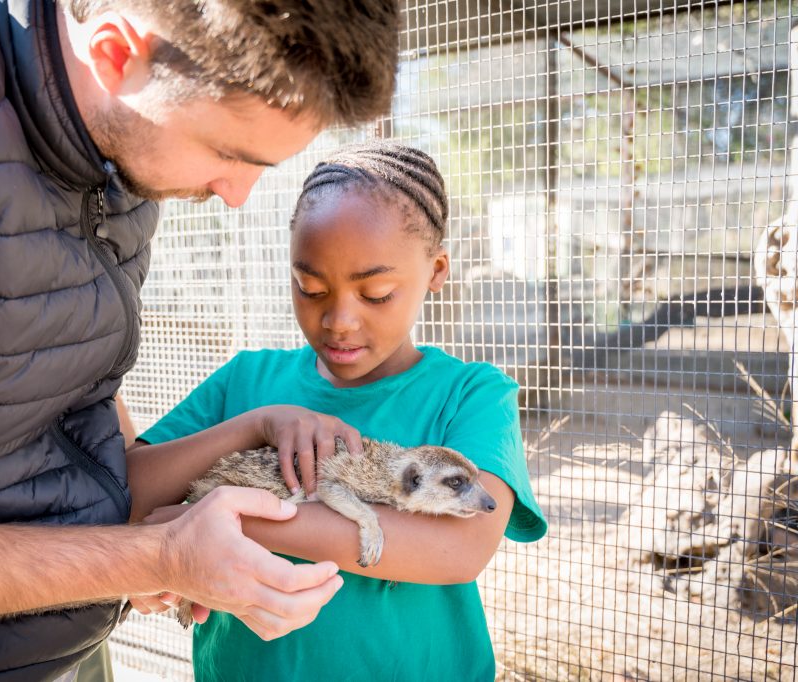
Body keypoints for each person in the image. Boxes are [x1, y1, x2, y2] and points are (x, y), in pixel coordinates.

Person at [0, 0, 402, 679]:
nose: (237, 194)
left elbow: (97, 459)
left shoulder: (121, 140)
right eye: (226, 153)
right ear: (113, 52)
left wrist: (254, 430)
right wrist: (157, 557)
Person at [126, 141, 549, 682]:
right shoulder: (248, 380)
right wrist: (255, 425)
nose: (339, 321)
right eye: (311, 288)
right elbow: (130, 492)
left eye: (375, 293)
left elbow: (457, 547)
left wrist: (220, 522)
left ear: (437, 270)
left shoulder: (472, 393)